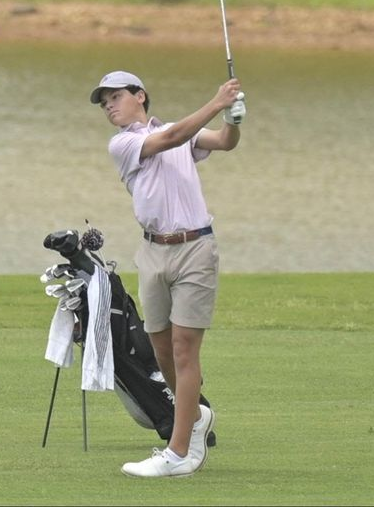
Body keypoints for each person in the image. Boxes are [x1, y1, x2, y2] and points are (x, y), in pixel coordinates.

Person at [90, 70, 245, 478]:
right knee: (160, 350)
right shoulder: (123, 144)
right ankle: (195, 418)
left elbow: (224, 142)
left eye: (115, 96)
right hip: (153, 251)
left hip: (195, 247)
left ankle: (179, 452)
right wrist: (216, 102)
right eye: (103, 101)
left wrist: (233, 116)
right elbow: (170, 140)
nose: (108, 105)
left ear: (140, 95)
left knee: (182, 348)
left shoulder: (182, 130)